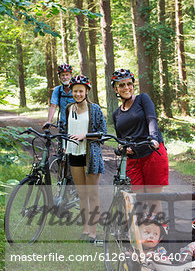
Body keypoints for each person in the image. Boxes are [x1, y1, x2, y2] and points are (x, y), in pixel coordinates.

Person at [111, 69, 169, 205]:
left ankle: (159, 226)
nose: (126, 88)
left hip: (152, 153)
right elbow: (121, 138)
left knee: (153, 199)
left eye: (129, 84)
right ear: (115, 89)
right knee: (138, 201)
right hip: (133, 160)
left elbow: (151, 119)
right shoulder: (116, 114)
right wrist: (121, 147)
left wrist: (154, 138)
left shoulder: (142, 99)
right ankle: (139, 226)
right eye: (121, 85)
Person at [64, 75, 107, 243]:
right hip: (74, 154)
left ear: (87, 91)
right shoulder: (68, 108)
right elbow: (63, 128)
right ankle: (85, 229)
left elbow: (103, 133)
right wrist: (63, 145)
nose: (78, 94)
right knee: (81, 194)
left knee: (92, 194)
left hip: (91, 156)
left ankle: (94, 232)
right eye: (75, 91)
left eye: (81, 91)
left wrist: (86, 136)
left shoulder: (94, 109)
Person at [43, 63, 75, 131]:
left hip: (76, 123)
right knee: (60, 141)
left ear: (71, 75)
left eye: (67, 75)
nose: (65, 77)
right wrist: (49, 121)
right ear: (59, 77)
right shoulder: (57, 90)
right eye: (62, 75)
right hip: (63, 124)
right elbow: (53, 106)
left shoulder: (76, 89)